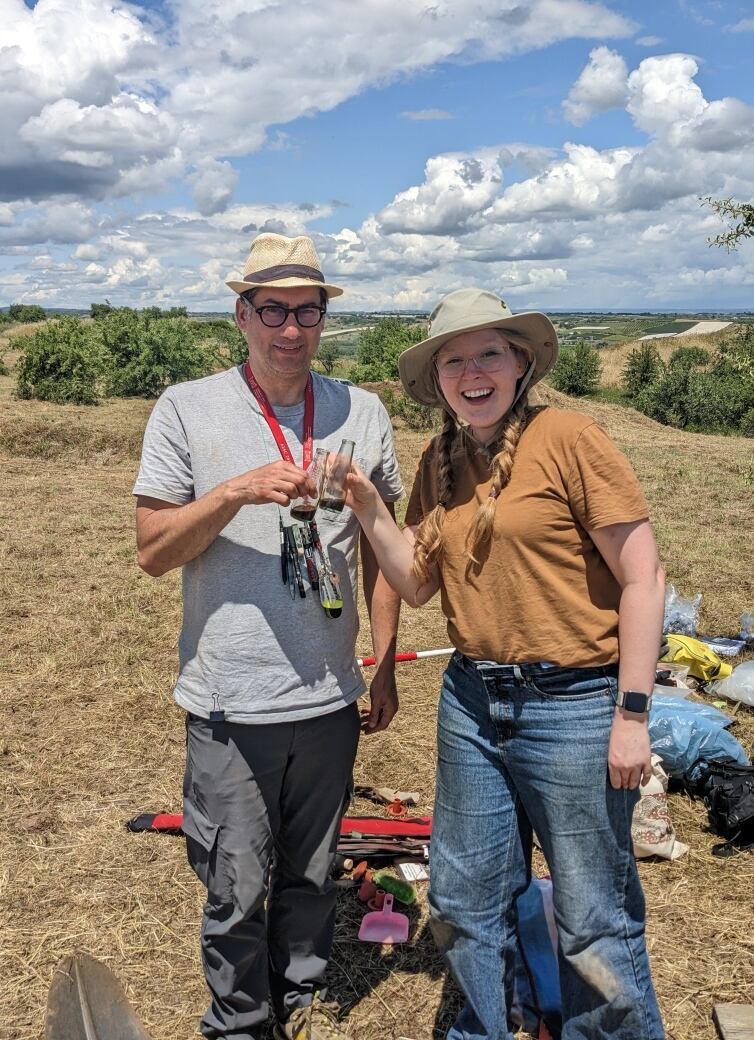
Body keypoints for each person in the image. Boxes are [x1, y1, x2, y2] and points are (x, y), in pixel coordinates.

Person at [345, 288, 666, 1040]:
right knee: (461, 900)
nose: (471, 371)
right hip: (471, 702)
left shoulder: (572, 438)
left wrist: (632, 714)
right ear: (439, 381)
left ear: (521, 362)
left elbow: (644, 578)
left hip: (578, 704)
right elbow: (417, 583)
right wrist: (367, 506)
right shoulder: (442, 458)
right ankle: (484, 1027)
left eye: (488, 352)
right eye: (453, 360)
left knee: (593, 916)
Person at [133, 233, 403, 1040]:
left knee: (314, 869)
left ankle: (302, 996)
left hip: (328, 697)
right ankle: (241, 1020)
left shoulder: (365, 409)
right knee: (235, 878)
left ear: (325, 317)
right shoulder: (187, 407)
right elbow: (153, 552)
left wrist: (383, 664)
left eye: (307, 310)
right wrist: (236, 492)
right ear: (241, 314)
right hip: (230, 699)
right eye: (273, 310)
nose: (291, 328)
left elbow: (385, 552)